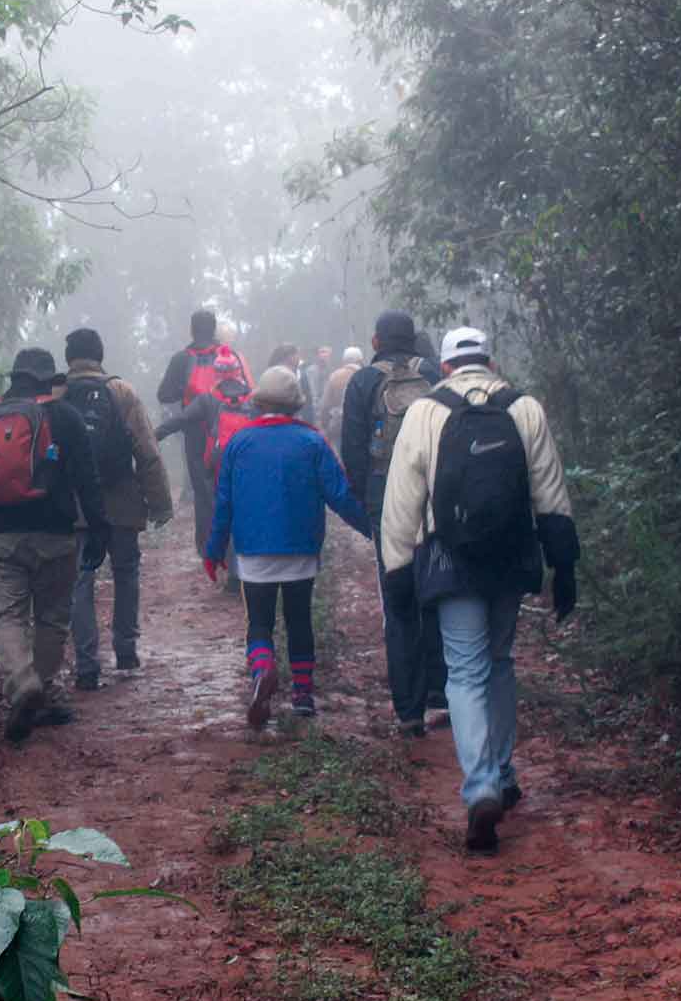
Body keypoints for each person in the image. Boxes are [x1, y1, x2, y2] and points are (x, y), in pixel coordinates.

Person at [379, 326, 579, 854]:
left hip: (451, 559)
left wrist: (398, 573)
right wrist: (565, 565)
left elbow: (402, 501)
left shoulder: (425, 412)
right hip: (511, 556)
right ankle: (506, 771)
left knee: (464, 670)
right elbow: (550, 489)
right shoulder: (523, 408)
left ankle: (482, 786)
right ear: (489, 361)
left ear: (444, 367)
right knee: (500, 660)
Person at [0, 348, 111, 743]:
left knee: (6, 616)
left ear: (14, 376)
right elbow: (87, 480)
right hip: (55, 535)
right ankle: (40, 685)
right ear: (47, 379)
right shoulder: (64, 416)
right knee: (52, 618)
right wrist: (99, 530)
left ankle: (24, 683)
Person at [205, 367, 369, 727]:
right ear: (296, 405)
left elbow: (224, 502)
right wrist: (374, 530)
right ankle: (303, 696)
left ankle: (263, 668)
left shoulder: (240, 442)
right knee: (299, 620)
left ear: (258, 402)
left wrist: (214, 549)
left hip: (253, 552)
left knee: (259, 622)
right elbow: (339, 495)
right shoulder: (311, 441)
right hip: (300, 548)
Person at [339, 311, 448, 736]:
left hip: (386, 498)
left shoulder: (363, 382)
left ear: (375, 339)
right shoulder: (434, 375)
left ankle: (408, 711)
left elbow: (353, 451)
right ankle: (443, 694)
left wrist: (367, 501)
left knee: (398, 602)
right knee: (438, 590)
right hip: (433, 494)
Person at [62, 328, 174, 690]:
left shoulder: (56, 394)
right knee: (126, 573)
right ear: (100, 355)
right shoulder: (121, 392)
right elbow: (147, 451)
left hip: (75, 507)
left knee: (81, 581)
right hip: (121, 502)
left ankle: (86, 665)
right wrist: (159, 503)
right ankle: (125, 650)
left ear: (69, 358)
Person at [156, 309, 253, 556]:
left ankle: (209, 546)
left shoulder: (181, 359)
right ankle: (237, 546)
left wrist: (186, 392)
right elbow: (249, 390)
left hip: (196, 430)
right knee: (233, 484)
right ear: (214, 329)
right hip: (233, 428)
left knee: (203, 489)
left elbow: (164, 395)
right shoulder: (232, 356)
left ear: (191, 330)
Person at [318, 346, 363, 450]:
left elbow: (325, 404)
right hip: (361, 427)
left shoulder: (335, 376)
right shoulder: (364, 375)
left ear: (344, 360)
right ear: (360, 360)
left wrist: (325, 425)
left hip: (339, 426)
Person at [302, 346, 332, 425]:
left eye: (326, 355)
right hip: (312, 411)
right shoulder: (310, 371)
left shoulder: (331, 372)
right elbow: (312, 392)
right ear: (317, 357)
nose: (324, 358)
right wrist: (317, 412)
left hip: (326, 412)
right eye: (321, 353)